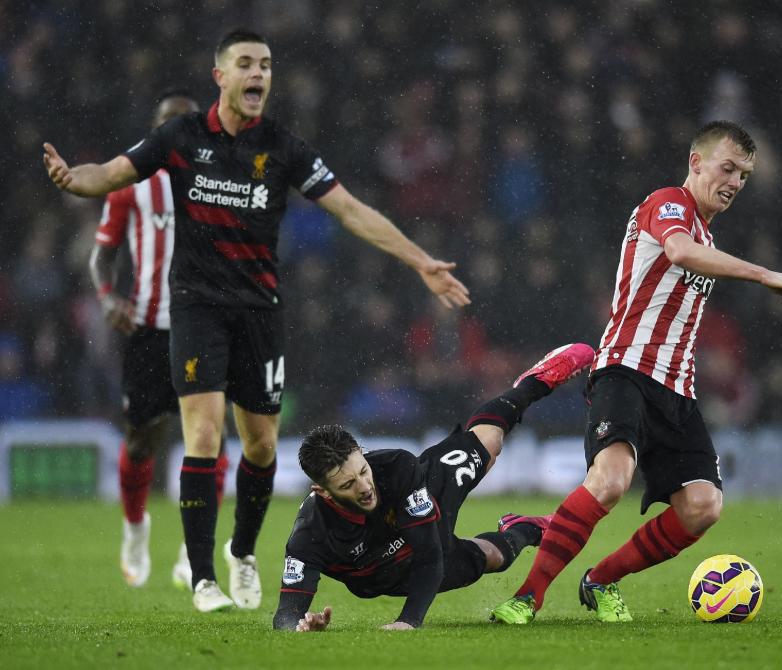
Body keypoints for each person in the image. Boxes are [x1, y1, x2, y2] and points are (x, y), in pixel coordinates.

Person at [44, 29, 470, 613]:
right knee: (200, 432)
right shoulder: (181, 138)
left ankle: (241, 551)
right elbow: (113, 173)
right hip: (194, 307)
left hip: (259, 311)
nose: (258, 74)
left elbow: (348, 209)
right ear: (220, 77)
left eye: (266, 65)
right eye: (246, 64)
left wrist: (420, 260)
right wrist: (75, 178)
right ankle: (202, 579)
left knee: (262, 445)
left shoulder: (284, 147)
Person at [490, 121, 782, 624]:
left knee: (703, 506)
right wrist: (765, 274)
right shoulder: (669, 204)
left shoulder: (707, 232)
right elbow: (679, 252)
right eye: (727, 168)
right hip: (624, 370)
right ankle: (526, 597)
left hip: (677, 390)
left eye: (744, 175)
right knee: (612, 480)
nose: (734, 181)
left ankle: (600, 580)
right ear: (696, 162)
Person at [272, 343, 595, 631]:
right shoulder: (310, 533)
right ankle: (524, 528)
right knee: (495, 558)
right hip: (389, 576)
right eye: (347, 484)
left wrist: (408, 620)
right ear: (323, 491)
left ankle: (534, 383)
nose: (365, 486)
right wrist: (301, 624)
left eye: (363, 470)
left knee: (489, 445)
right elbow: (286, 614)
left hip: (427, 519)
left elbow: (430, 553)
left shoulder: (396, 468)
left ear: (364, 455)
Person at [88, 90, 231, 590]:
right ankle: (134, 527)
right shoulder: (131, 184)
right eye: (165, 124)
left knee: (207, 442)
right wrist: (107, 297)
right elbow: (101, 255)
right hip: (149, 329)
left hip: (205, 327)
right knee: (143, 438)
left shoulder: (219, 182)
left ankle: (195, 554)